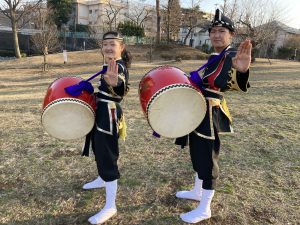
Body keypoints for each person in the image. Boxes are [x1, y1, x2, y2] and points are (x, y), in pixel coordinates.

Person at [175, 9, 252, 223]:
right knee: (197, 154)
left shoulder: (231, 56)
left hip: (210, 113)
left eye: (222, 31)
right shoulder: (214, 56)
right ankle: (197, 191)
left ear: (231, 35)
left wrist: (242, 71)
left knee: (208, 159)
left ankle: (205, 208)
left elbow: (233, 83)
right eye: (213, 31)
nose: (217, 35)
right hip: (198, 110)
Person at [81, 31, 131, 225]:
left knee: (107, 155)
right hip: (100, 110)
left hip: (108, 115)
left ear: (122, 47)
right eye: (105, 44)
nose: (109, 47)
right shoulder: (109, 64)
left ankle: (111, 205)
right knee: (98, 149)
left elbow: (120, 88)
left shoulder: (118, 66)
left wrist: (115, 84)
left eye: (113, 44)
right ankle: (102, 178)